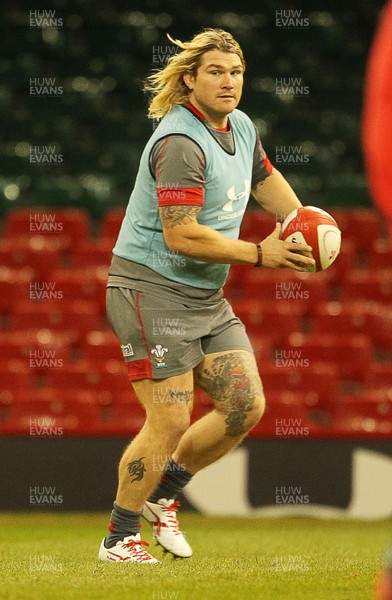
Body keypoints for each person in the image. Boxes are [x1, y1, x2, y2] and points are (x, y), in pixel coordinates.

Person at [98, 28, 315, 564]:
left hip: (203, 296)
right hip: (150, 289)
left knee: (245, 405)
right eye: (215, 71)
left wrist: (301, 221)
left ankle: (162, 500)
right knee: (170, 418)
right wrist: (262, 254)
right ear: (190, 79)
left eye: (236, 71)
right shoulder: (180, 143)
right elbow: (181, 235)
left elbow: (264, 179)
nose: (229, 81)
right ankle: (119, 537)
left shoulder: (240, 125)